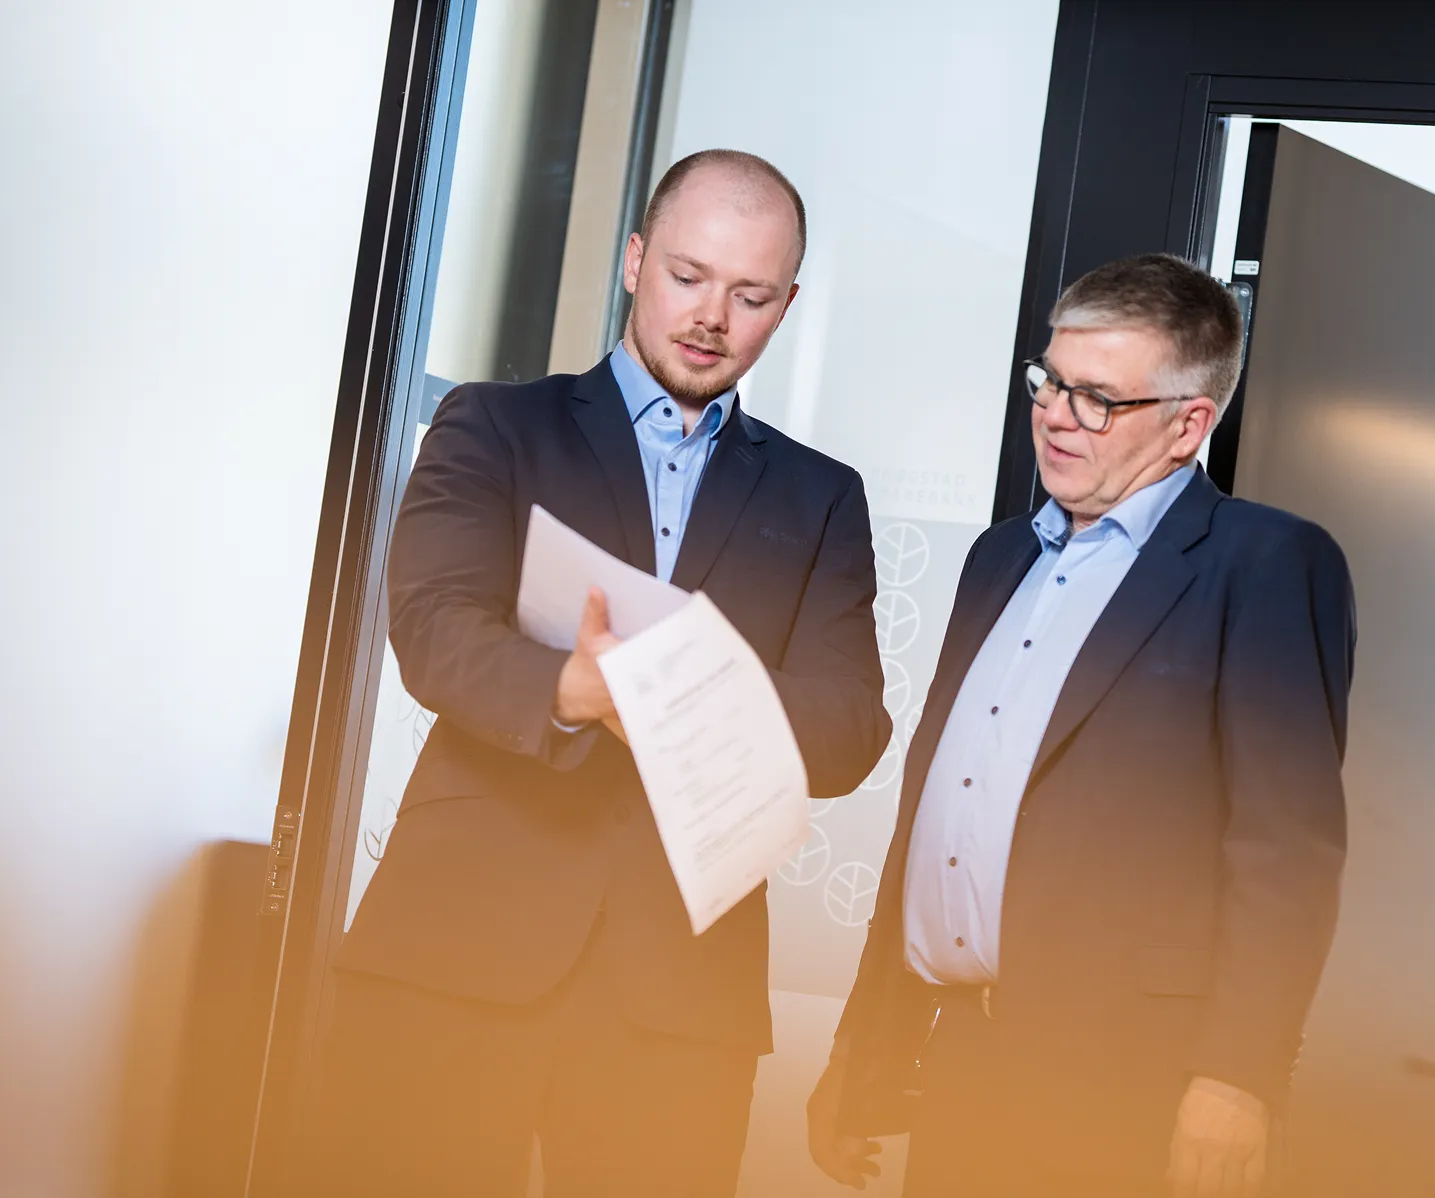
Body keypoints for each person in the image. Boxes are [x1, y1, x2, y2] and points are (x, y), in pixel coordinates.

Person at [302, 149, 891, 1196]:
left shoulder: (821, 498)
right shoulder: (495, 424)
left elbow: (850, 729)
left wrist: (688, 691)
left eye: (751, 296)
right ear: (633, 260)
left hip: (680, 991)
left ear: (787, 305)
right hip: (457, 951)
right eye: (687, 276)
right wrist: (567, 694)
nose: (711, 317)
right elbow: (432, 626)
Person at [807, 253, 1356, 1198]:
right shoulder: (998, 559)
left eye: (1099, 399)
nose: (1057, 416)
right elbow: (937, 819)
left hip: (1129, 1098)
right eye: (1051, 383)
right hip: (962, 1071)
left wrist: (1237, 1079)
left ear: (1190, 424)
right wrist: (866, 1047)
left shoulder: (1267, 564)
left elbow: (1285, 855)